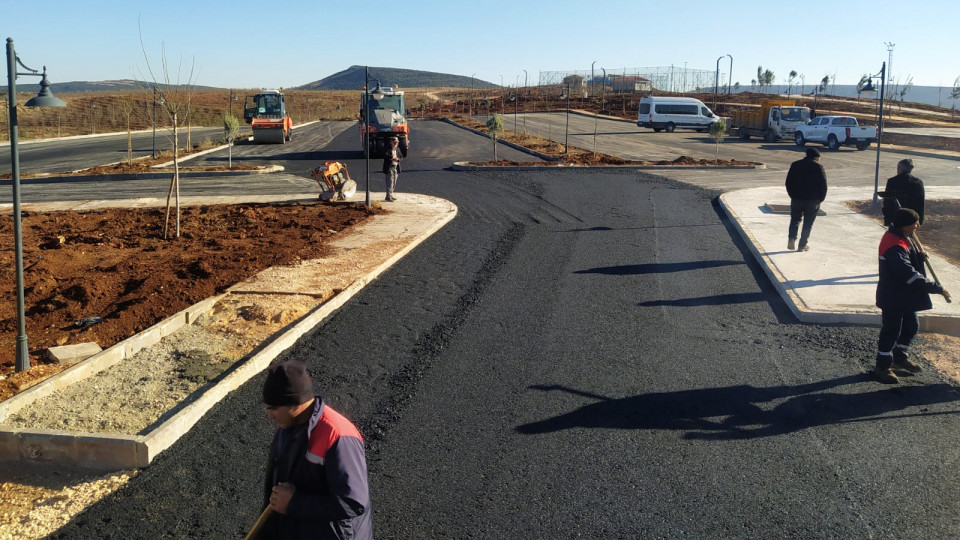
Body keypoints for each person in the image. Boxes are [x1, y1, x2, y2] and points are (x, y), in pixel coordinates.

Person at [259, 360, 373, 539]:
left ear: (295, 404)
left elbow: (353, 502)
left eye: (273, 408)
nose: (269, 416)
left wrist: (294, 504)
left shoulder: (337, 435)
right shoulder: (288, 426)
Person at [872, 208, 951, 384]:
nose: (918, 225)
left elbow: (909, 259)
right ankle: (882, 366)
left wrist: (918, 256)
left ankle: (899, 357)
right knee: (891, 331)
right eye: (915, 223)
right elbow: (909, 275)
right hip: (893, 296)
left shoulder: (902, 236)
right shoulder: (893, 246)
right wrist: (936, 288)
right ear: (905, 225)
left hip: (904, 295)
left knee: (911, 326)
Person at [784, 147, 828, 252]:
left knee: (795, 220)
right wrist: (821, 198)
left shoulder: (795, 165)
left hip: (796, 199)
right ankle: (802, 245)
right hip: (813, 200)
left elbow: (788, 182)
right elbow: (823, 185)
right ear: (816, 157)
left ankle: (791, 238)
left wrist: (792, 195)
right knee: (808, 223)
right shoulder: (818, 167)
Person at [880, 158, 925, 226]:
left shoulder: (892, 181)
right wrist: (919, 220)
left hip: (895, 218)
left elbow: (887, 202)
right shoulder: (918, 183)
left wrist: (887, 218)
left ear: (899, 168)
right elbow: (920, 203)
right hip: (911, 219)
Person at [382, 136, 402, 202]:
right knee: (389, 182)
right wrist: (391, 158)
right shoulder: (388, 149)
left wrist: (397, 159)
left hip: (396, 167)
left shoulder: (398, 149)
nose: (395, 143)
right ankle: (388, 196)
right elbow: (386, 155)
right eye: (394, 142)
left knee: (394, 182)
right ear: (391, 142)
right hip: (389, 167)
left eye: (397, 142)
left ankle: (391, 195)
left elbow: (401, 157)